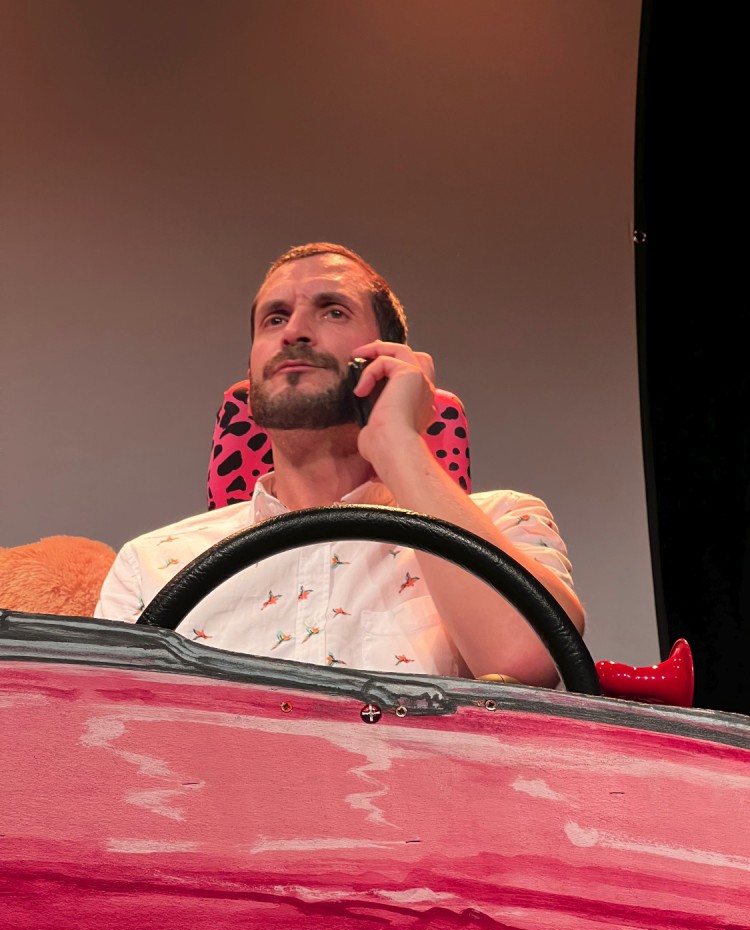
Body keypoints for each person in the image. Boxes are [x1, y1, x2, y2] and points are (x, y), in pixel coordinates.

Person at [95, 242, 585, 687]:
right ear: (252, 374)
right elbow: (107, 728)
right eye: (274, 318)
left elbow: (531, 664)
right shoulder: (148, 565)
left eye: (332, 311)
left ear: (388, 359)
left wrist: (397, 440)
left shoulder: (506, 520)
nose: (294, 332)